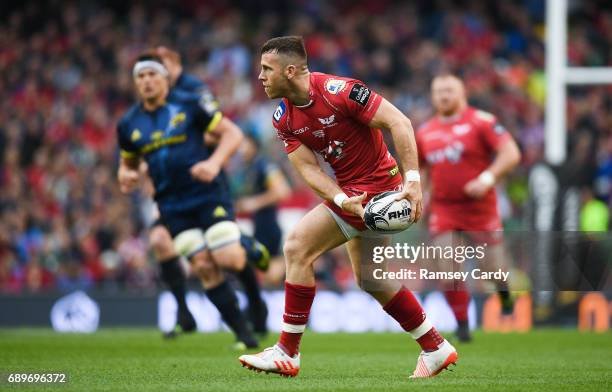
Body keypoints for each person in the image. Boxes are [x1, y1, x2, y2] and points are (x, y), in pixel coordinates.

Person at [238, 36, 457, 379]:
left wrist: (412, 182)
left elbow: (400, 123)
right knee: (371, 279)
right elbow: (308, 168)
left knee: (297, 247)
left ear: (291, 70)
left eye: (267, 69)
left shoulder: (341, 91)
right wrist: (341, 199)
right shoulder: (283, 117)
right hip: (352, 195)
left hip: (380, 189)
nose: (261, 76)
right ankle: (435, 347)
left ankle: (287, 352)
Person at [116, 52, 267, 349]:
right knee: (202, 265)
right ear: (135, 83)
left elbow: (232, 134)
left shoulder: (188, 104)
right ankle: (243, 335)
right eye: (140, 77)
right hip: (171, 205)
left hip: (206, 195)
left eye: (152, 75)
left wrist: (213, 163)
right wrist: (126, 174)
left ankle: (245, 245)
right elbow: (129, 162)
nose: (146, 82)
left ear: (164, 79)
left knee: (229, 259)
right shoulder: (128, 124)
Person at [416, 74, 521, 342]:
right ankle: (462, 325)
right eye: (438, 91)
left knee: (491, 269)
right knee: (447, 268)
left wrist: (486, 179)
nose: (443, 95)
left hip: (480, 208)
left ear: (462, 93)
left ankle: (505, 294)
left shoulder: (481, 121)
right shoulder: (425, 131)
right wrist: (422, 195)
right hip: (444, 209)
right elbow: (423, 168)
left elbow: (511, 153)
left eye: (449, 90)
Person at [234, 132, 291, 286]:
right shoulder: (248, 169)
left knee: (271, 273)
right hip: (258, 226)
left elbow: (282, 191)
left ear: (253, 145)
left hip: (269, 226)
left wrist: (254, 203)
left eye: (244, 145)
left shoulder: (264, 166)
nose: (240, 149)